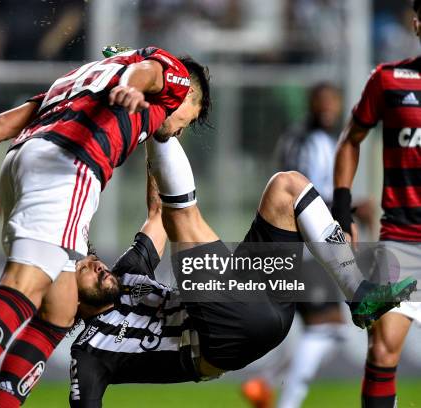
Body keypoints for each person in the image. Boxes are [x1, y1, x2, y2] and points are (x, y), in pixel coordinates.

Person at [0, 47, 212, 408]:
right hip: (68, 167)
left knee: (60, 310)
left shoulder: (79, 80)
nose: (180, 129)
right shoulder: (172, 79)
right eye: (188, 120)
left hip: (20, 162)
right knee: (24, 286)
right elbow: (151, 71)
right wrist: (134, 86)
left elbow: (1, 125)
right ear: (190, 96)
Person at [66, 132, 417, 407]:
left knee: (286, 188)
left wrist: (151, 134)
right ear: (67, 294)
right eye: (84, 267)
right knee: (182, 219)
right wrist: (157, 125)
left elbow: (157, 212)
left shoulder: (126, 272)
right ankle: (160, 127)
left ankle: (357, 294)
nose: (96, 263)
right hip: (219, 337)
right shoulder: (88, 353)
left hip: (263, 309)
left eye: (91, 258)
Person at [242, 82, 372, 408]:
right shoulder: (307, 141)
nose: (329, 107)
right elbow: (304, 199)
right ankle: (283, 398)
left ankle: (265, 383)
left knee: (329, 328)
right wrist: (352, 211)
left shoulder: (314, 139)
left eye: (333, 101)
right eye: (322, 101)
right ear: (311, 103)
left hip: (302, 247)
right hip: (304, 248)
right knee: (327, 328)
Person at [332, 1, 421, 406]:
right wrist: (343, 208)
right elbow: (350, 141)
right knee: (382, 351)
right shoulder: (389, 80)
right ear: (417, 24)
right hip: (400, 239)